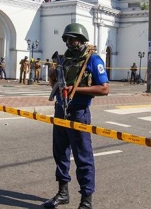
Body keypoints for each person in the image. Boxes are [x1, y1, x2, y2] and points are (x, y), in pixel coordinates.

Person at [44, 22, 109, 209]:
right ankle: (63, 193)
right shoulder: (64, 60)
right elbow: (55, 87)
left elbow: (104, 89)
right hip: (60, 110)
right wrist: (53, 76)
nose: (69, 43)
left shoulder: (93, 60)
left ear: (81, 40)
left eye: (72, 39)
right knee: (60, 154)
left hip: (79, 113)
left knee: (83, 158)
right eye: (66, 40)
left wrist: (77, 89)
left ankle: (86, 201)